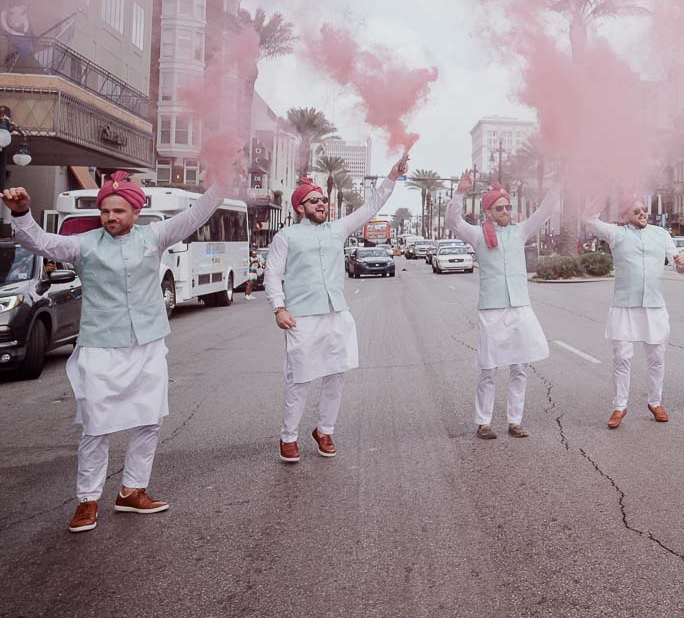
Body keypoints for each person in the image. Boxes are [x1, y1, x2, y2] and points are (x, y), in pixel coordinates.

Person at [4, 168, 232, 533]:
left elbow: (196, 214)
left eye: (119, 211)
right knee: (96, 427)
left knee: (149, 421)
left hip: (147, 345)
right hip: (100, 348)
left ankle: (132, 491)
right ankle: (87, 500)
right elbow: (40, 243)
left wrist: (224, 178)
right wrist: (21, 214)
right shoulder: (83, 245)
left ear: (136, 213)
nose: (110, 217)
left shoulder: (154, 236)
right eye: (105, 211)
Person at [265, 152, 409, 463]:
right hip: (300, 318)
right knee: (299, 378)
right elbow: (273, 273)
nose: (321, 204)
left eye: (322, 200)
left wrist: (392, 176)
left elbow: (372, 206)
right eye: (313, 200)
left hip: (336, 315)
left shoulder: (338, 229)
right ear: (300, 207)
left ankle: (325, 430)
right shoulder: (286, 236)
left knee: (335, 375)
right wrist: (279, 308)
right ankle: (288, 437)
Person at [446, 173, 561, 439]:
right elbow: (453, 221)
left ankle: (514, 421)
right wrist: (460, 193)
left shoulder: (520, 231)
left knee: (519, 367)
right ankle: (483, 422)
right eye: (499, 208)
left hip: (519, 307)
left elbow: (544, 211)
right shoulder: (477, 235)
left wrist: (558, 182)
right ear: (488, 212)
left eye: (507, 207)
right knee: (489, 368)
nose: (505, 211)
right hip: (492, 310)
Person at [585, 199, 684, 428]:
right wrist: (601, 189)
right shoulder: (616, 234)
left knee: (657, 357)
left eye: (644, 209)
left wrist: (681, 264)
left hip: (654, 305)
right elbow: (590, 220)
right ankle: (620, 406)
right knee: (622, 356)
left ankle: (655, 402)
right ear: (625, 216)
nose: (643, 213)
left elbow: (678, 265)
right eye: (636, 211)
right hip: (624, 305)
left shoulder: (661, 234)